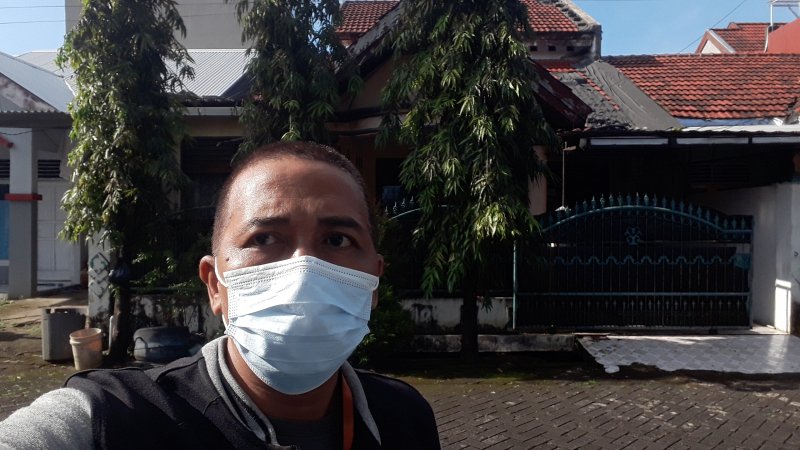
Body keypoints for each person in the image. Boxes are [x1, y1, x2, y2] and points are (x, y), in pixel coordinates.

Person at [0, 141, 441, 450]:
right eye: (264, 238)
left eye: (338, 240)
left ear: (373, 282)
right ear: (215, 284)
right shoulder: (115, 418)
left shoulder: (405, 418)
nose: (303, 269)